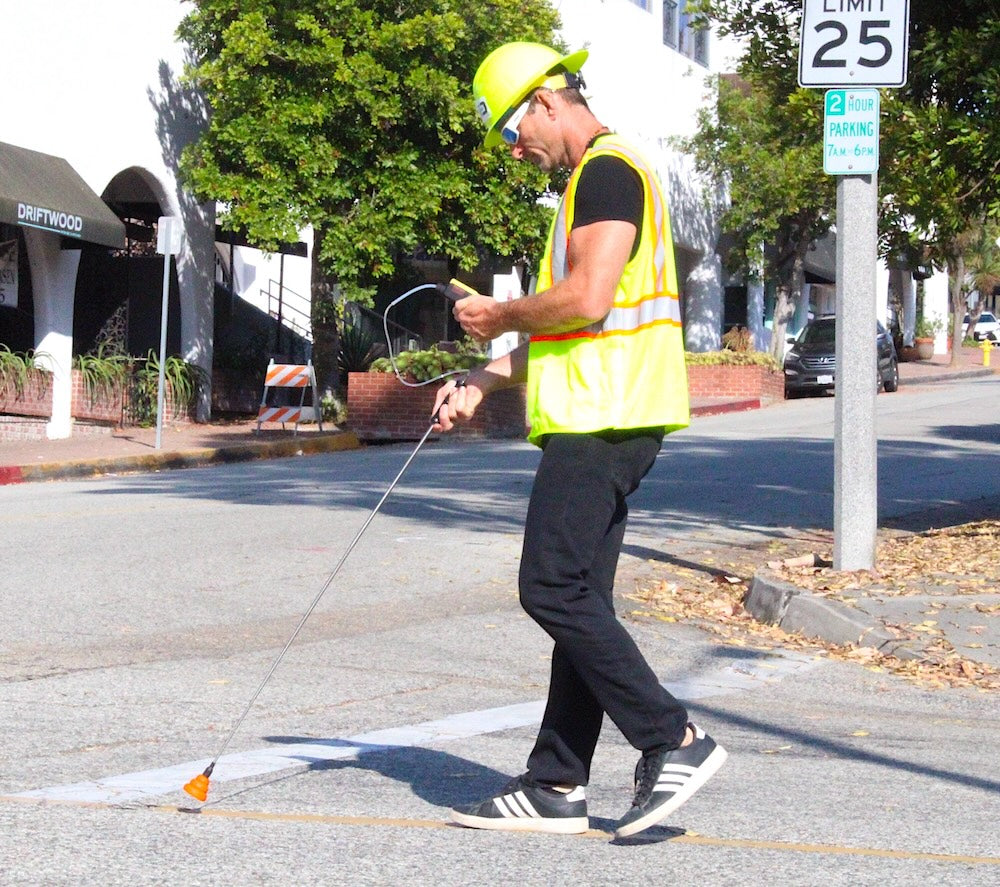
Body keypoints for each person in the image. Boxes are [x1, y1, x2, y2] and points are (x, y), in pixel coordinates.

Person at [432, 42, 727, 840]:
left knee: (550, 588)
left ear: (546, 102)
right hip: (610, 413)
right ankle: (557, 780)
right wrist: (485, 379)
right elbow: (569, 323)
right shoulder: (594, 181)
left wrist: (497, 313)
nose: (513, 148)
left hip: (603, 420)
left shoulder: (605, 171)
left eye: (510, 129)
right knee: (580, 599)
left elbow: (587, 299)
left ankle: (674, 740)